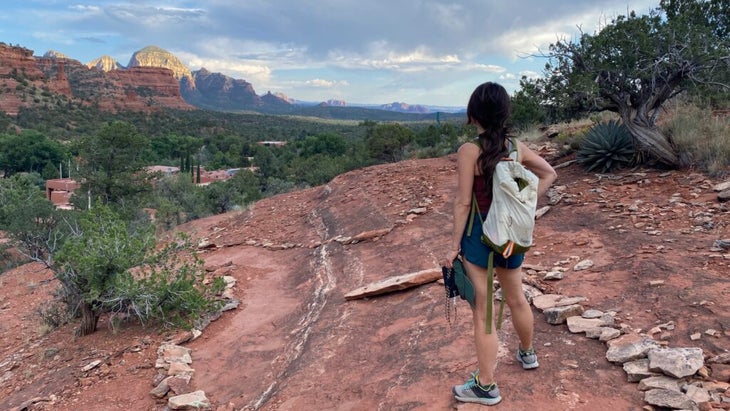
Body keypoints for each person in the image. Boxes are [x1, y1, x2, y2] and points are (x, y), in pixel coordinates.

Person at [444, 82, 557, 406]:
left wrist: (454, 245)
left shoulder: (469, 151)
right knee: (516, 298)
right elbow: (549, 173)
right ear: (504, 113)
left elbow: (463, 203)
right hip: (510, 239)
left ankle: (486, 386)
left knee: (483, 311)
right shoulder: (516, 148)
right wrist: (526, 202)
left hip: (479, 239)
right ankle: (528, 354)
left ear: (473, 114)